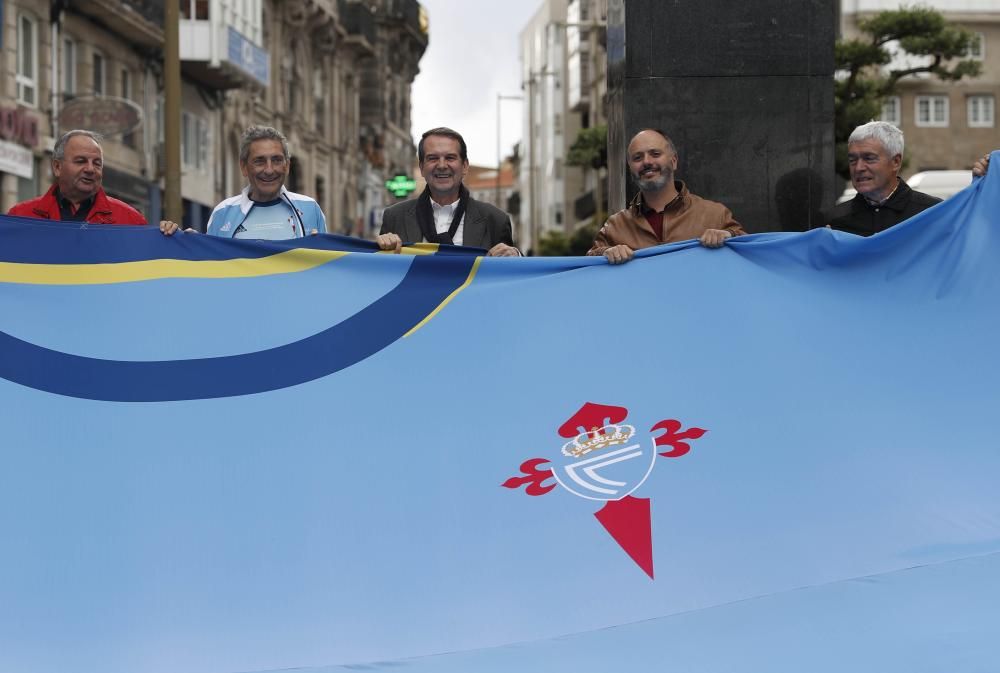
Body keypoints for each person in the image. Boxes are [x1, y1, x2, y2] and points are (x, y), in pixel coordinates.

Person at [587, 129, 745, 264]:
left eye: (655, 154)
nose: (646, 162)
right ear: (631, 168)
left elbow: (750, 250)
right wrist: (606, 253)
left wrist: (729, 236)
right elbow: (588, 266)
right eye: (637, 158)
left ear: (674, 161)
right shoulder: (616, 226)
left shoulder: (714, 214)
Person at [376, 127, 519, 256]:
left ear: (464, 166)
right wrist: (380, 250)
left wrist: (515, 256)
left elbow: (514, 277)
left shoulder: (495, 220)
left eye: (450, 158)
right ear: (421, 168)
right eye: (433, 158)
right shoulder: (394, 217)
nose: (442, 165)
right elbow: (380, 277)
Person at [8, 129, 177, 234]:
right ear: (57, 167)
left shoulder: (130, 220)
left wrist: (178, 239)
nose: (90, 169)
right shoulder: (20, 217)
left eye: (97, 163)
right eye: (81, 161)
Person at [201, 126, 325, 239]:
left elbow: (328, 261)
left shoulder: (310, 209)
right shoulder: (222, 213)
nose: (269, 170)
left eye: (277, 160)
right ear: (244, 167)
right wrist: (191, 244)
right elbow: (209, 261)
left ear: (287, 166)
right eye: (259, 161)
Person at [823, 121, 940, 236]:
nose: (858, 168)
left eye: (869, 158)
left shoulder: (932, 213)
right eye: (852, 160)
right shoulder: (835, 221)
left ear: (896, 162)